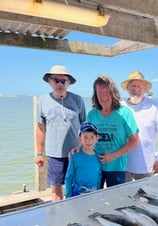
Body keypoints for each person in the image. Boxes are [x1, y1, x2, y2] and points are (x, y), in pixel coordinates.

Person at [35, 65, 86, 201]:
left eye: (63, 81)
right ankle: (58, 218)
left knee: (78, 185)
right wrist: (39, 153)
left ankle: (76, 214)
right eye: (55, 80)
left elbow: (84, 126)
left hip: (76, 152)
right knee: (56, 188)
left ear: (68, 83)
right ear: (49, 81)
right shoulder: (42, 101)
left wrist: (85, 149)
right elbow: (40, 129)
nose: (60, 84)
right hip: (54, 154)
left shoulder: (78, 100)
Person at [86, 75, 139, 188]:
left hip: (116, 167)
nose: (103, 95)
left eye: (107, 91)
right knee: (93, 199)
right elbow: (85, 138)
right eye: (100, 92)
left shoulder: (125, 113)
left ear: (113, 93)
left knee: (116, 202)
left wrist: (113, 156)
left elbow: (134, 141)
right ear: (95, 94)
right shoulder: (92, 114)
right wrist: (79, 148)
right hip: (95, 166)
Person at [121, 70, 158, 181]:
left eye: (140, 86)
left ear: (145, 89)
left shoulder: (154, 107)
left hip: (147, 165)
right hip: (123, 164)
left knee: (145, 197)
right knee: (123, 197)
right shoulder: (120, 107)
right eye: (133, 86)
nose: (136, 90)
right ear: (127, 88)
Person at [65, 122, 101, 198]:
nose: (89, 141)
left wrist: (98, 193)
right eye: (85, 137)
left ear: (97, 138)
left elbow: (99, 177)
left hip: (94, 196)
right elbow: (69, 178)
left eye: (92, 137)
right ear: (79, 138)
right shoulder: (75, 157)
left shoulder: (98, 157)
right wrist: (68, 197)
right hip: (77, 195)